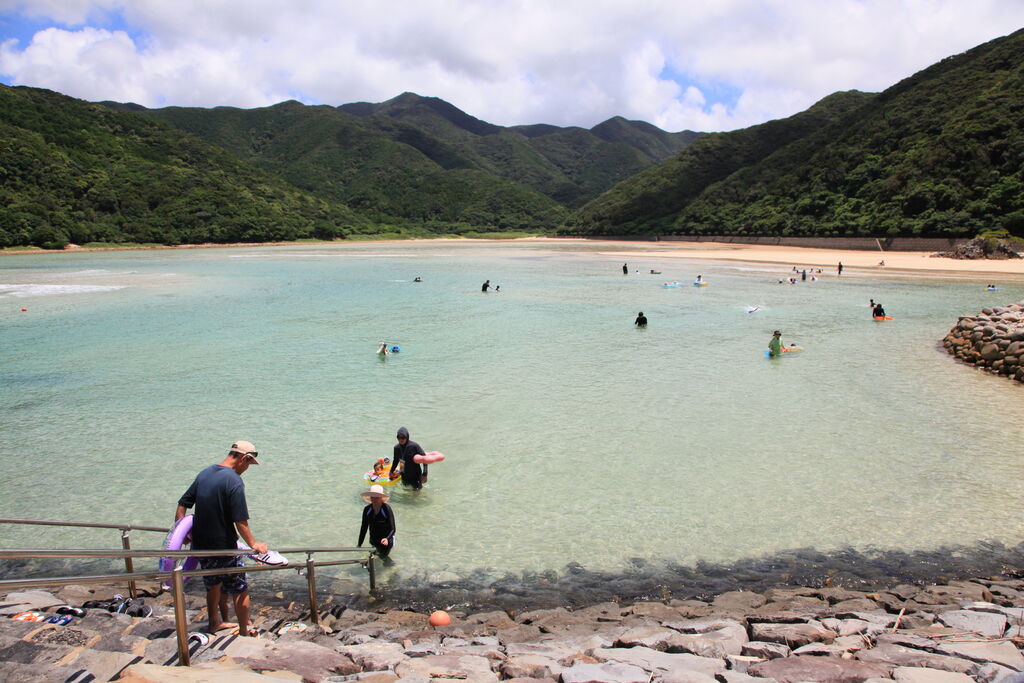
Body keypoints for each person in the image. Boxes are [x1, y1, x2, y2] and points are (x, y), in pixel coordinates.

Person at [176, 441, 267, 637]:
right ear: (245, 458)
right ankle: (244, 631)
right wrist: (254, 544)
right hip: (224, 545)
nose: (247, 469)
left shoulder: (205, 473)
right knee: (240, 589)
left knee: (213, 586)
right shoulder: (233, 480)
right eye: (249, 465)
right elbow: (240, 519)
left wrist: (180, 532)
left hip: (201, 545)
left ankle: (214, 624)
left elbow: (183, 504)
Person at [358, 485, 396, 562]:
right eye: (372, 497)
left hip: (386, 541)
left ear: (381, 498)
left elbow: (393, 528)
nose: (374, 499)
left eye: (376, 497)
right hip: (374, 540)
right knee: (376, 554)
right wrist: (359, 544)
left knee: (383, 556)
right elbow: (364, 528)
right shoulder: (367, 510)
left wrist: (387, 538)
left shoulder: (386, 509)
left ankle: (392, 568)